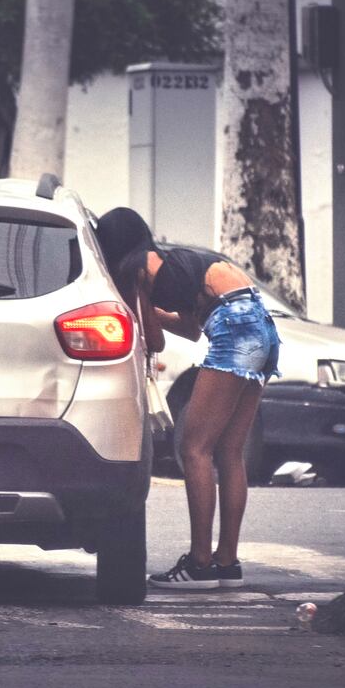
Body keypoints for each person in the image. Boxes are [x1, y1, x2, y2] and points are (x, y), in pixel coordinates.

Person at [96, 208, 280, 589]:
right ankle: (226, 563)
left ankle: (199, 564)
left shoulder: (140, 272)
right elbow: (193, 330)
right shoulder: (176, 262)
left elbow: (156, 341)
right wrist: (157, 313)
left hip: (233, 328)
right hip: (262, 324)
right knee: (229, 451)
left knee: (194, 448)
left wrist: (141, 308)